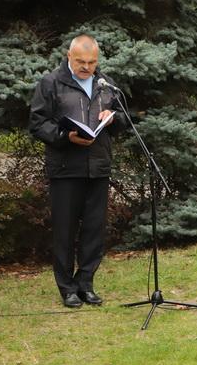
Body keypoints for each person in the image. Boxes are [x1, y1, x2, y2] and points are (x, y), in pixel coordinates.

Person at [29, 35, 127, 308]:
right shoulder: (51, 83)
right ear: (68, 56)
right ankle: (67, 288)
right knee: (64, 231)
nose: (86, 67)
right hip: (65, 169)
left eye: (92, 62)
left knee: (94, 231)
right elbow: (37, 123)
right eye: (81, 61)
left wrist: (112, 119)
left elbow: (123, 120)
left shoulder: (106, 84)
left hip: (98, 167)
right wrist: (65, 136)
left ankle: (85, 284)